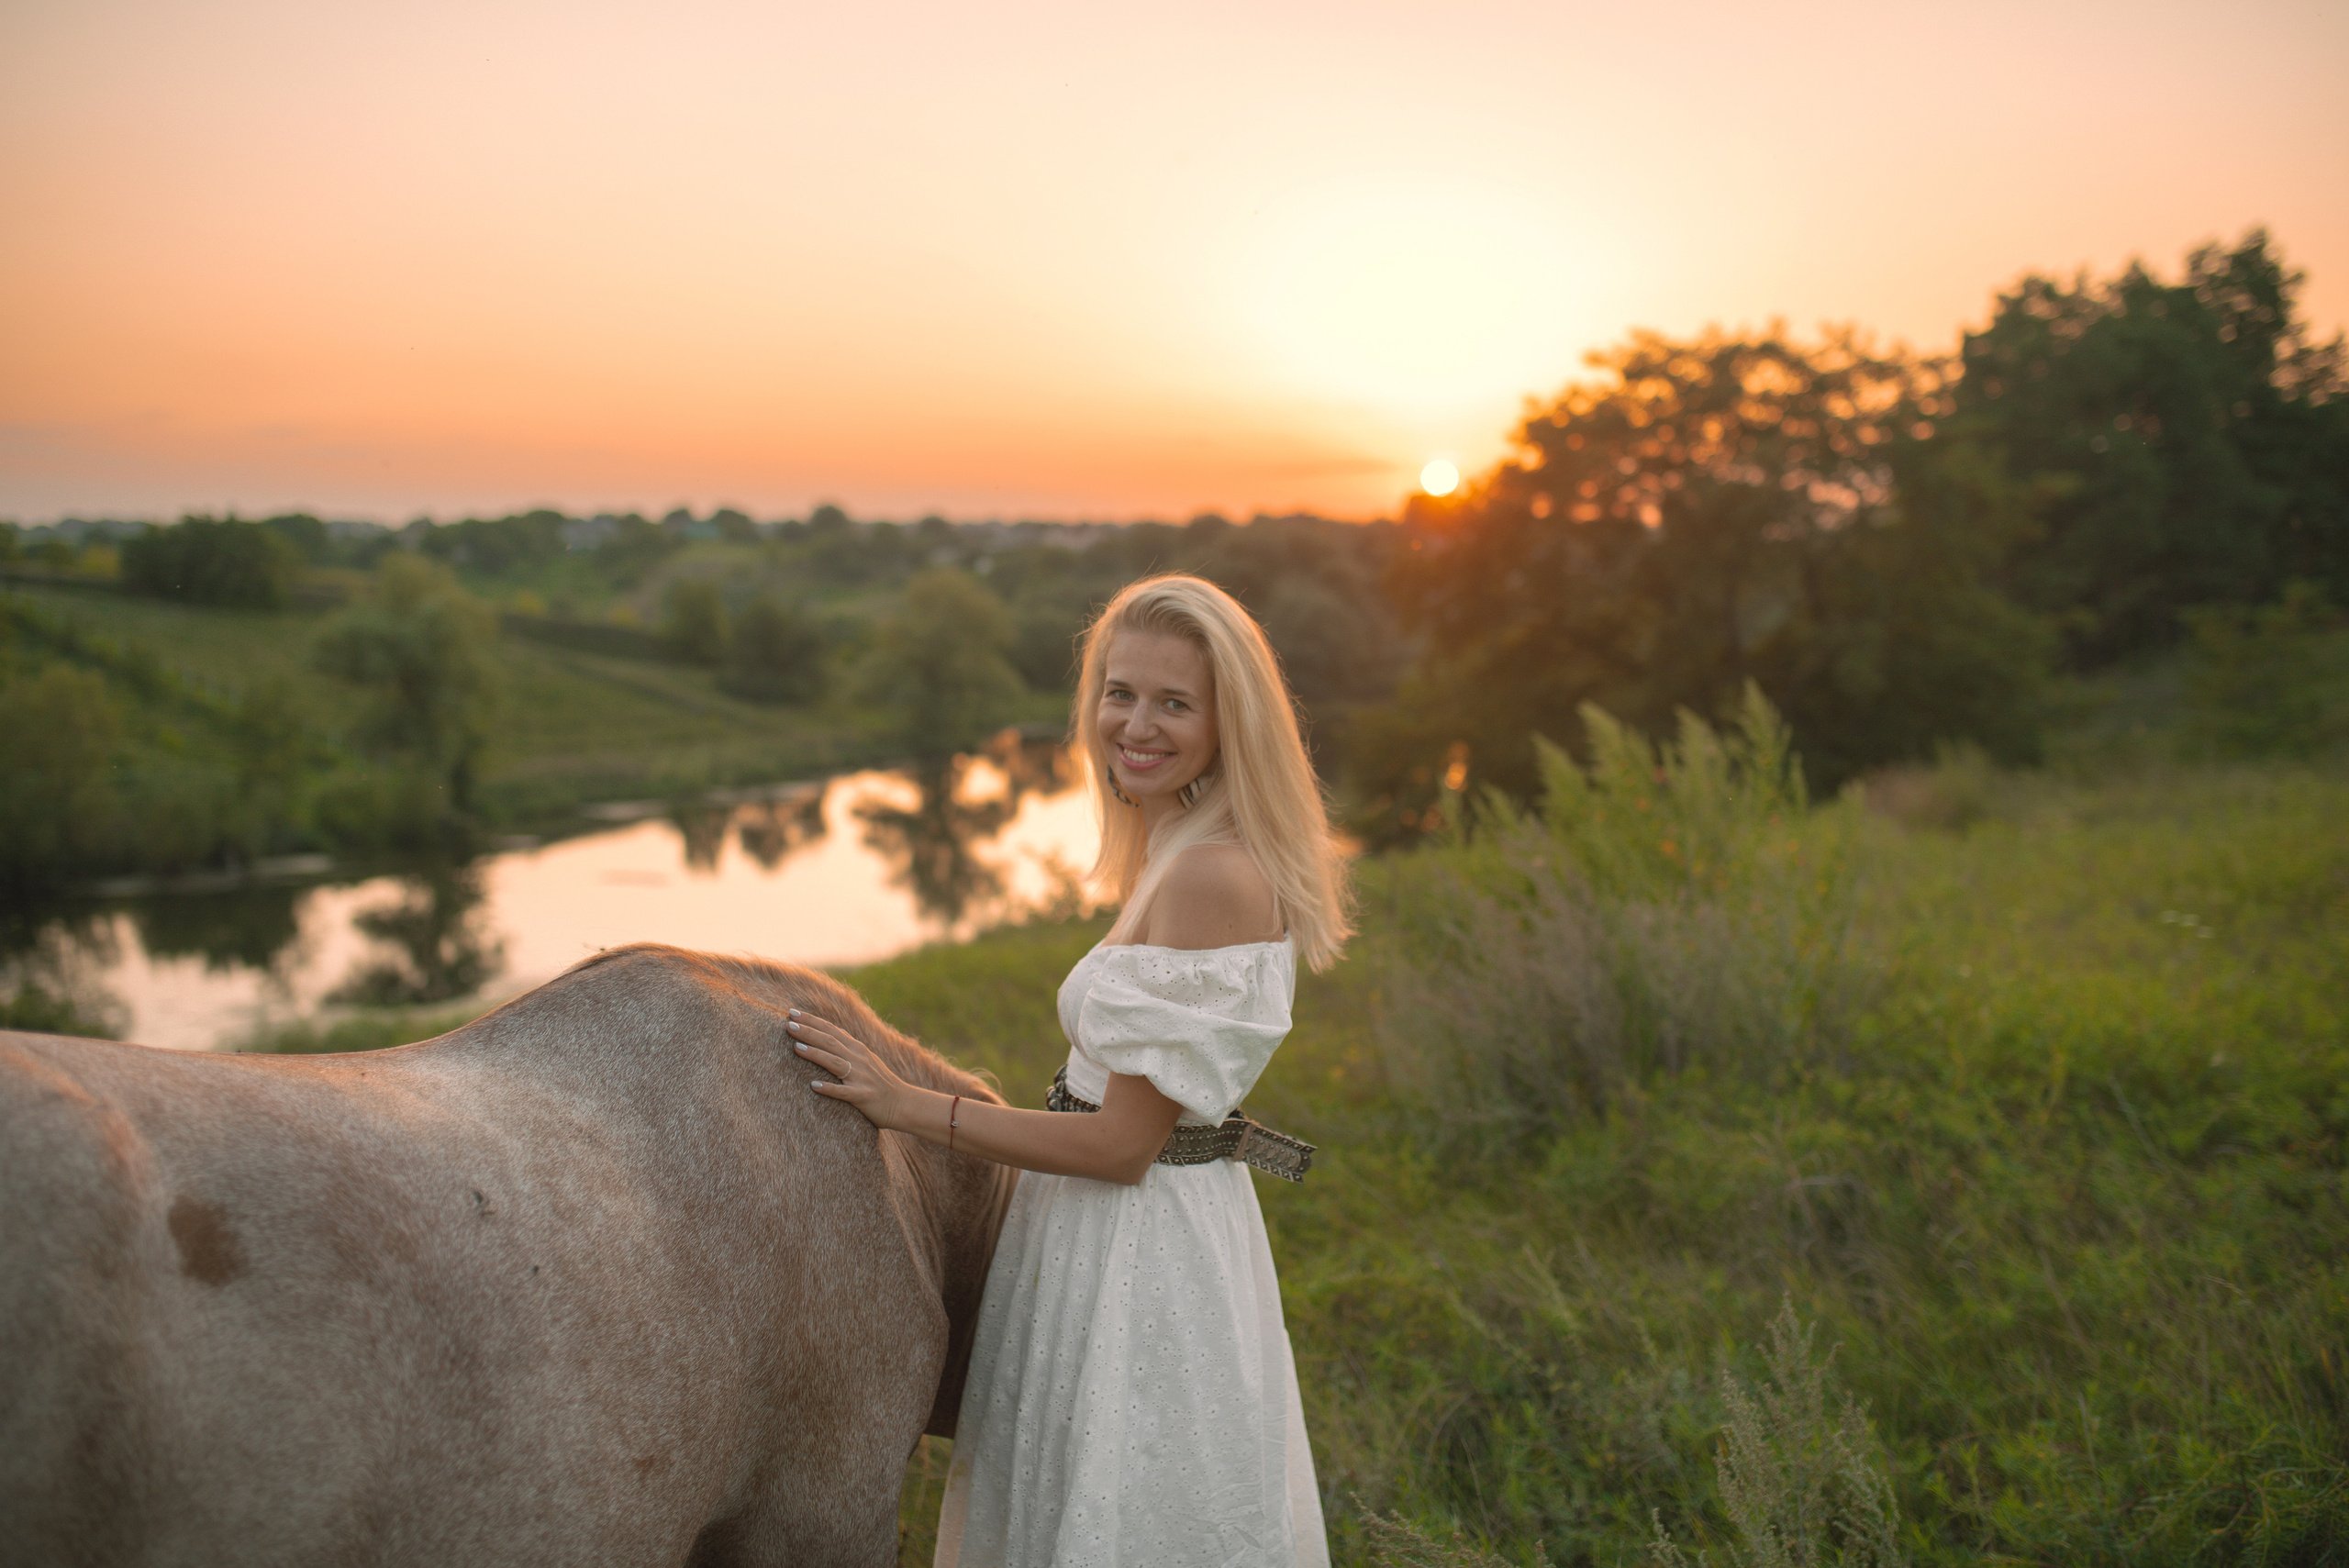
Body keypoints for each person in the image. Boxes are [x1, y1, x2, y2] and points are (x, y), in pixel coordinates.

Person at [782, 573, 1352, 1568]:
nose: (1135, 724)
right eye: (1119, 692)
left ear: (1231, 720)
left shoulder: (1211, 872)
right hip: (1113, 1226)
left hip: (1137, 1243)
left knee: (1125, 1511)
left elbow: (1122, 1144)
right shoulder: (1177, 840)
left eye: (1174, 702)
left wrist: (907, 1104)